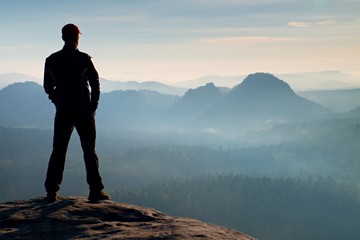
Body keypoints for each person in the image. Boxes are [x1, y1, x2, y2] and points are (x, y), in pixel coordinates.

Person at [43, 23, 110, 202]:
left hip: (63, 109)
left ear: (63, 37)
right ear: (77, 37)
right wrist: (93, 106)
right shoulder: (83, 59)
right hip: (83, 110)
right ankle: (95, 190)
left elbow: (48, 86)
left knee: (58, 150)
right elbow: (95, 83)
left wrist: (56, 100)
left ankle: (51, 191)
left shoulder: (52, 59)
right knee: (89, 150)